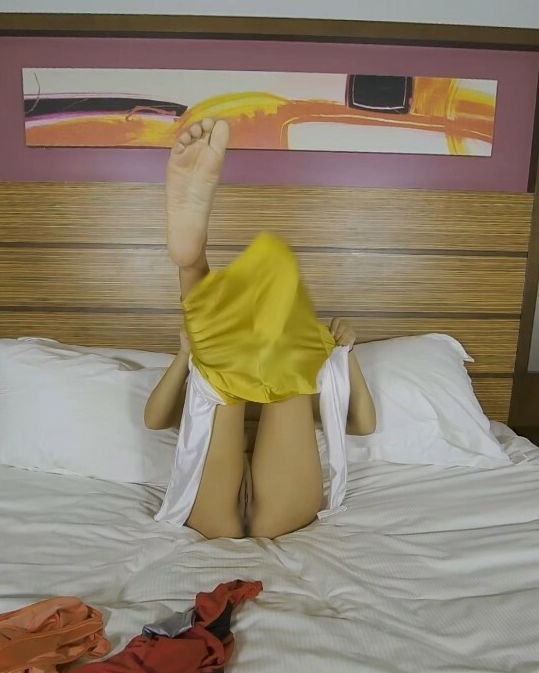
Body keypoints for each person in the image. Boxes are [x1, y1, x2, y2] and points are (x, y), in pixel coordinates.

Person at [143, 118, 376, 541]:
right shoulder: (206, 374)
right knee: (221, 378)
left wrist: (347, 354)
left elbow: (362, 424)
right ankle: (198, 276)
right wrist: (185, 357)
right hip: (229, 484)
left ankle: (193, 266)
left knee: (275, 376)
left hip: (242, 502)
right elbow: (155, 419)